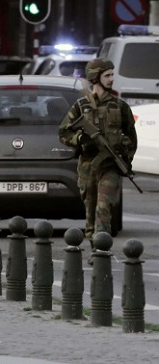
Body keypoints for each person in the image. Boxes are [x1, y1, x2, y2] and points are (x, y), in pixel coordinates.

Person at [58, 58, 137, 244]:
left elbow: (132, 138)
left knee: (104, 207)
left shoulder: (120, 106)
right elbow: (63, 132)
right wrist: (80, 139)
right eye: (107, 75)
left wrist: (126, 160)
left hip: (110, 166)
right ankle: (95, 245)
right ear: (95, 77)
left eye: (112, 75)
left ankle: (101, 249)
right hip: (88, 166)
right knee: (91, 210)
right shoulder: (80, 106)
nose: (111, 79)